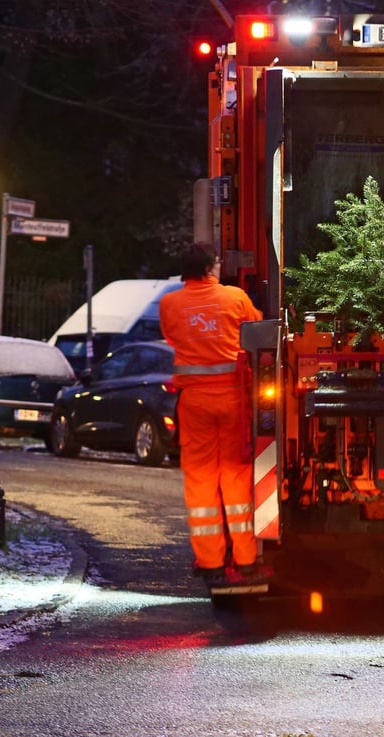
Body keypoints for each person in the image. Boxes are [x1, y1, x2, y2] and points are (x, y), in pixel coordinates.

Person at [159, 242, 266, 586]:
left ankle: (210, 562)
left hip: (193, 402)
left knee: (201, 479)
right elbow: (257, 329)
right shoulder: (234, 298)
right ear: (210, 268)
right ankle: (247, 559)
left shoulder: (169, 304)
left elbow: (172, 338)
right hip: (233, 398)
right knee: (235, 474)